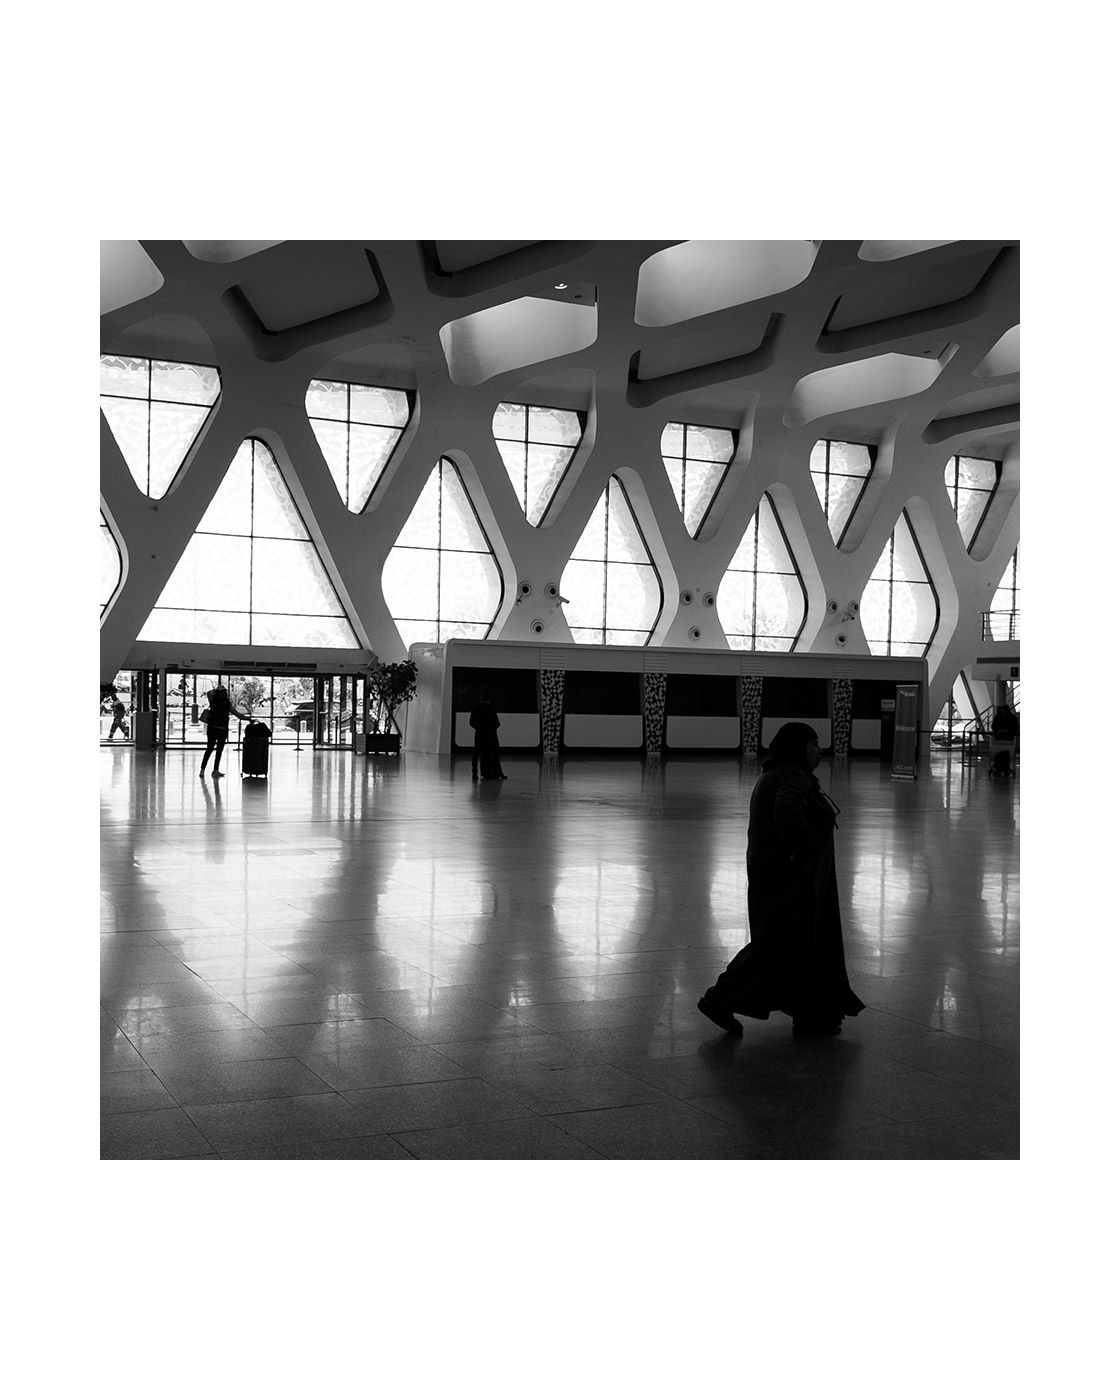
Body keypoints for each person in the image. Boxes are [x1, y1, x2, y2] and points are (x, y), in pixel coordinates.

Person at [698, 721, 865, 1036]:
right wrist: (801, 853)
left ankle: (810, 1013)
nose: (820, 750)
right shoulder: (793, 777)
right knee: (777, 945)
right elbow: (787, 813)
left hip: (778, 877)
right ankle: (721, 997)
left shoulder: (775, 775)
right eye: (814, 745)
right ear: (799, 749)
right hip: (790, 881)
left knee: (788, 944)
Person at [199, 683, 250, 778]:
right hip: (221, 730)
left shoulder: (214, 701)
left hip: (214, 729)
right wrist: (248, 719)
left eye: (224, 692)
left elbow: (237, 714)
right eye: (221, 692)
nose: (223, 694)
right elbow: (237, 714)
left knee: (212, 750)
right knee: (213, 750)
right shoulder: (222, 702)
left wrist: (248, 719)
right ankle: (209, 770)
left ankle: (208, 770)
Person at [469, 694, 505, 780]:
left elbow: (471, 722)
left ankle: (475, 773)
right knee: (489, 754)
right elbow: (497, 723)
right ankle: (490, 773)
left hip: (479, 735)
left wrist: (478, 728)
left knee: (476, 754)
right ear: (489, 700)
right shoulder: (491, 709)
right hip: (490, 736)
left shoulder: (476, 709)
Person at [989, 702, 1019, 776]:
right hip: (1008, 740)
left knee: (998, 753)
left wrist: (999, 731)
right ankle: (1004, 769)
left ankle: (998, 768)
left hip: (999, 740)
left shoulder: (998, 717)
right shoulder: (1012, 717)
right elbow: (1016, 728)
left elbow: (993, 727)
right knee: (1006, 754)